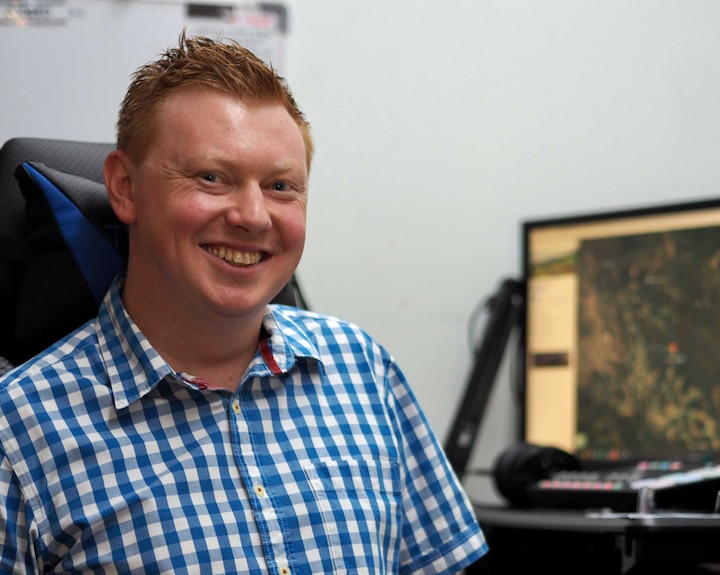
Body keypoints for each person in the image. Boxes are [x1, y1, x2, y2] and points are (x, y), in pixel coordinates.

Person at [0, 32, 488, 574]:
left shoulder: (364, 368)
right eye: (213, 177)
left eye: (281, 186)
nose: (253, 216)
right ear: (126, 187)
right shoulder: (15, 432)